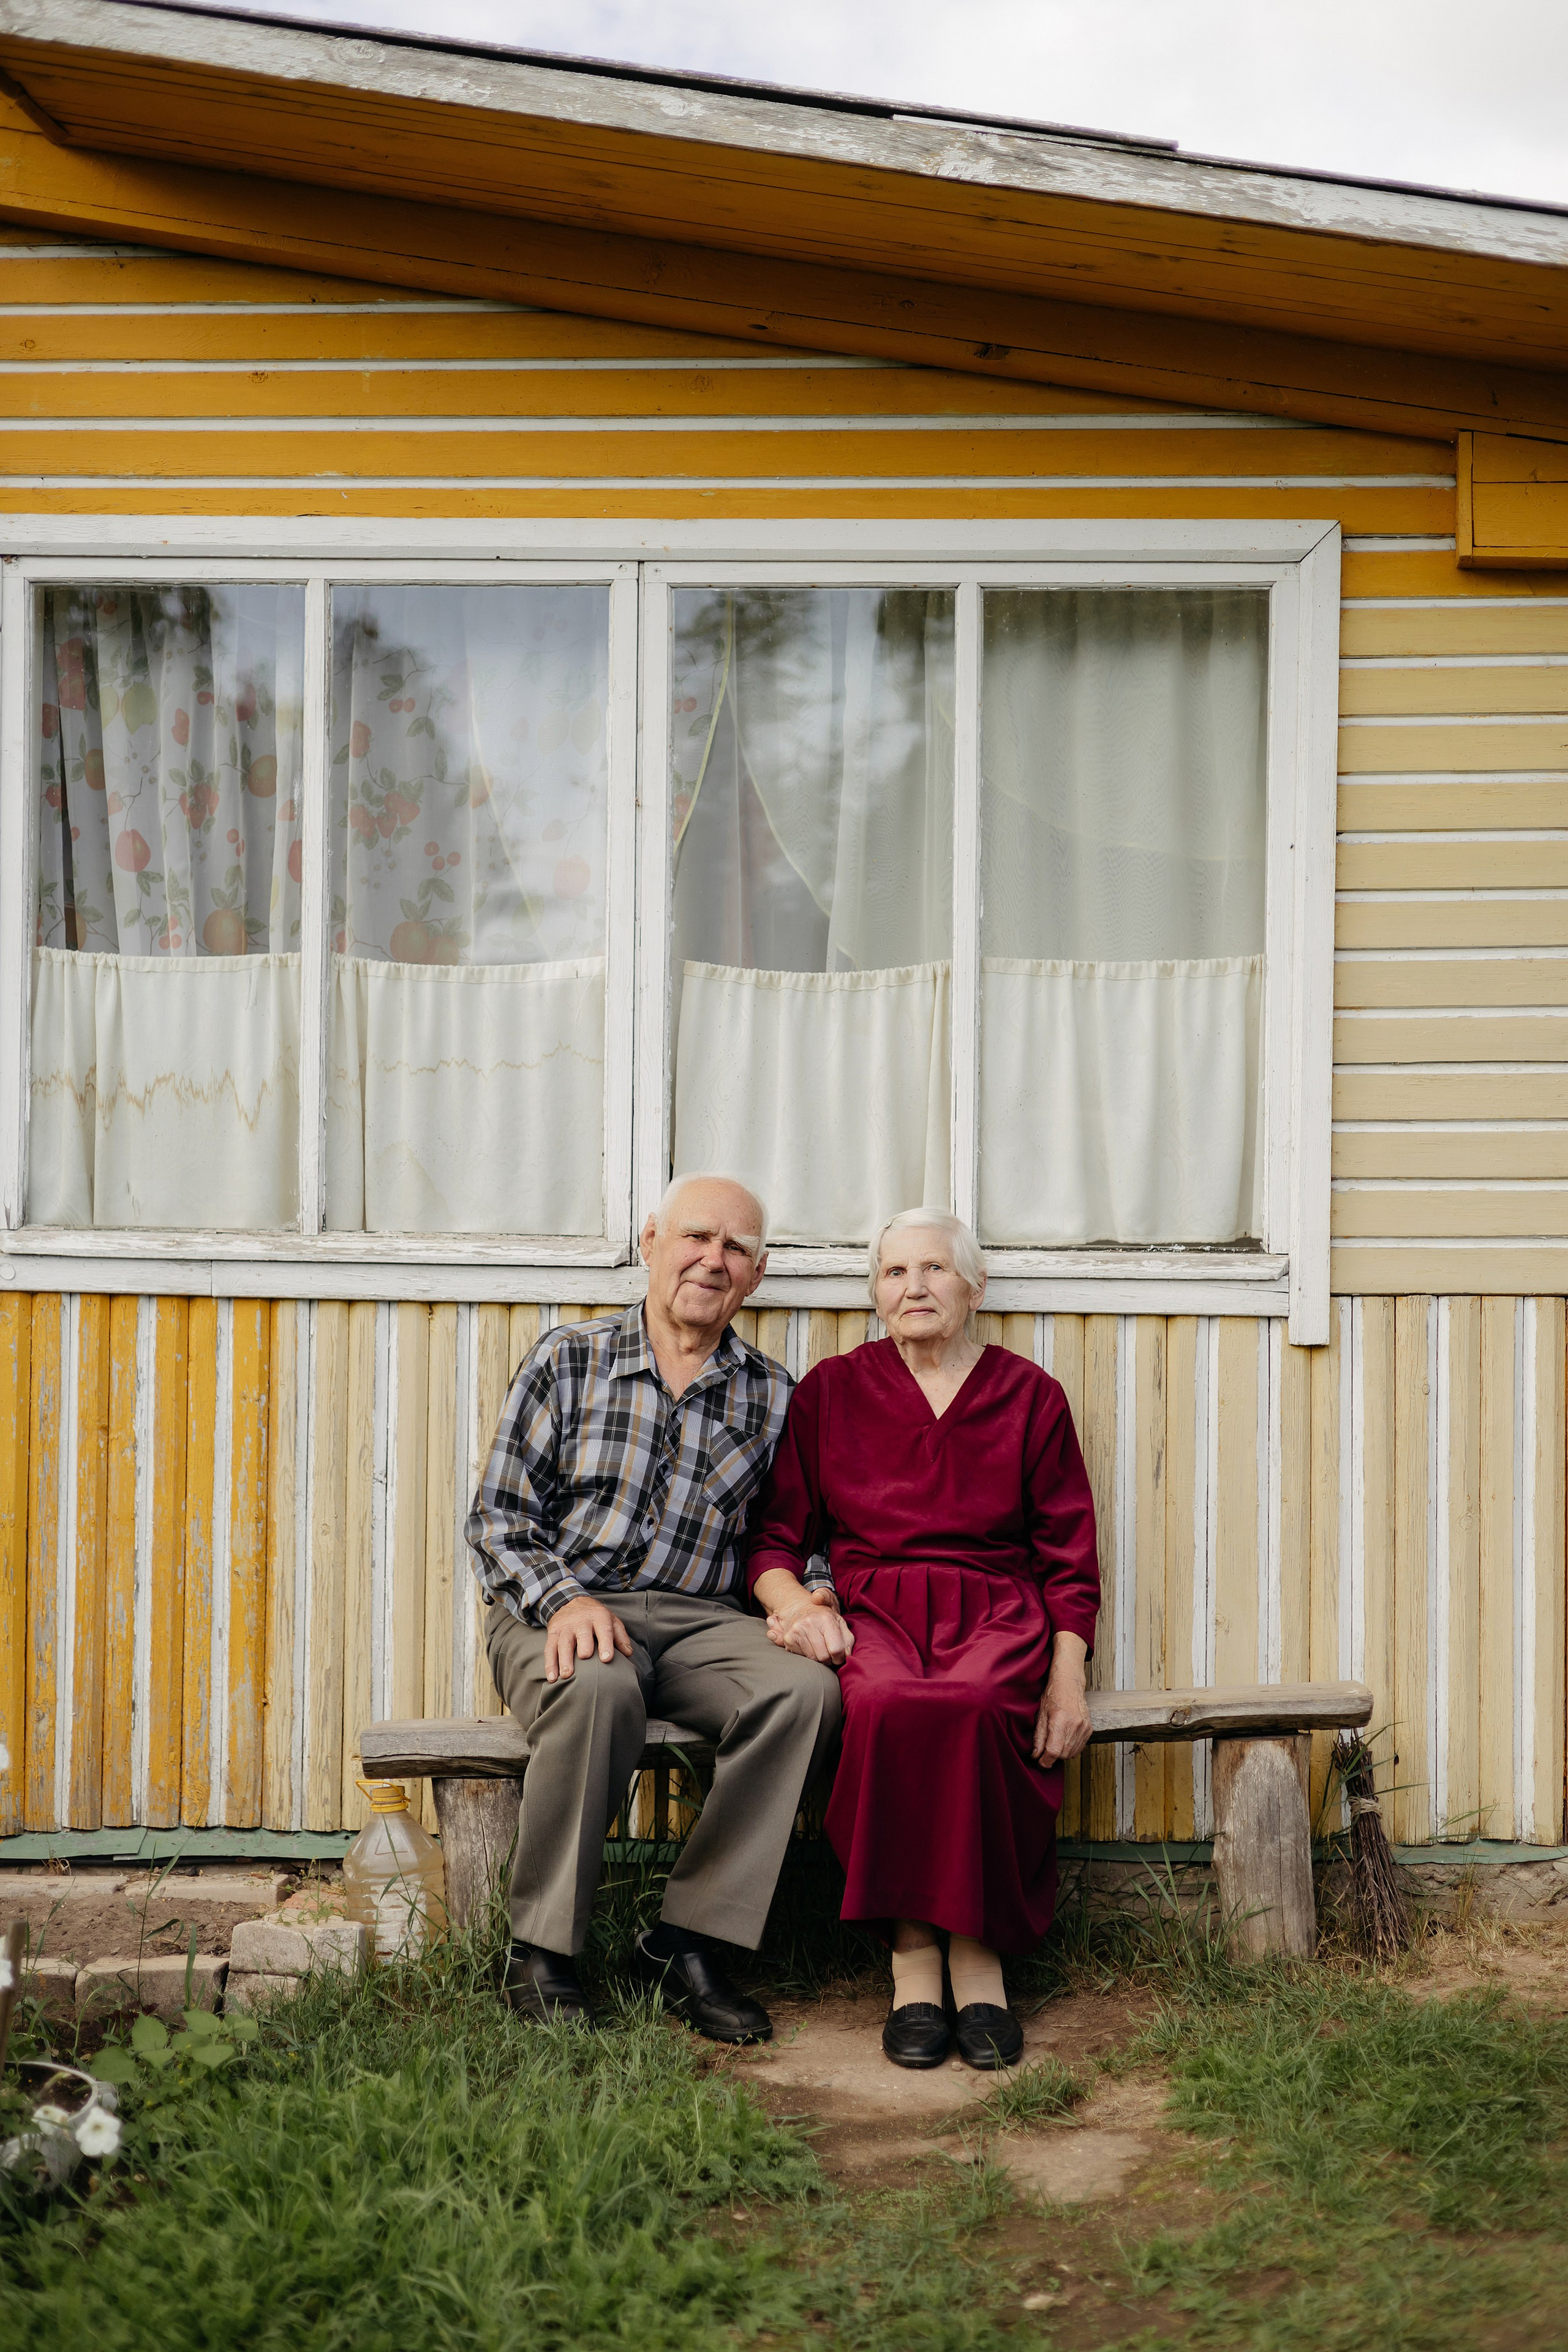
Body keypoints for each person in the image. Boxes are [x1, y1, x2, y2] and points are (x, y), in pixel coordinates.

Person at [466, 1172, 847, 2043]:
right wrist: (564, 1600)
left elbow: (796, 1531)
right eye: (696, 1237)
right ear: (651, 1243)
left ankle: (687, 1941)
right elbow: (497, 1521)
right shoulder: (570, 1359)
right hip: (557, 1608)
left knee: (806, 1694)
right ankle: (542, 1950)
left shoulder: (774, 1394)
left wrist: (812, 1593)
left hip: (703, 1620)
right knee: (601, 1686)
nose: (712, 1261)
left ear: (756, 1275)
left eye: (736, 1249)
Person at [747, 1208, 1099, 2071]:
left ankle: (979, 1957)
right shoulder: (831, 1392)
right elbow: (774, 1541)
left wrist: (1068, 1679)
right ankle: (913, 1959)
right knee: (889, 1703)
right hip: (878, 1607)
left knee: (977, 1704)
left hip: (998, 1609)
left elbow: (1070, 1561)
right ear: (875, 1293)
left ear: (974, 1289)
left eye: (936, 1270)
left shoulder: (1030, 1396)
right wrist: (794, 1605)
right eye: (896, 1273)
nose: (915, 1287)